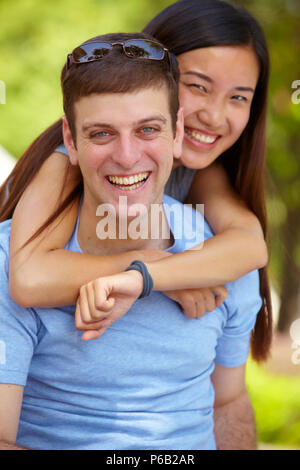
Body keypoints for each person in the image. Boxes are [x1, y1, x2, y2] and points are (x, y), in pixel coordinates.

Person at [0, 31, 261, 450]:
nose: (126, 156)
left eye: (147, 129)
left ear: (177, 131)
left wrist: (150, 274)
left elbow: (228, 402)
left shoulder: (218, 255)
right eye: (101, 134)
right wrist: (149, 265)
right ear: (71, 140)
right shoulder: (12, 252)